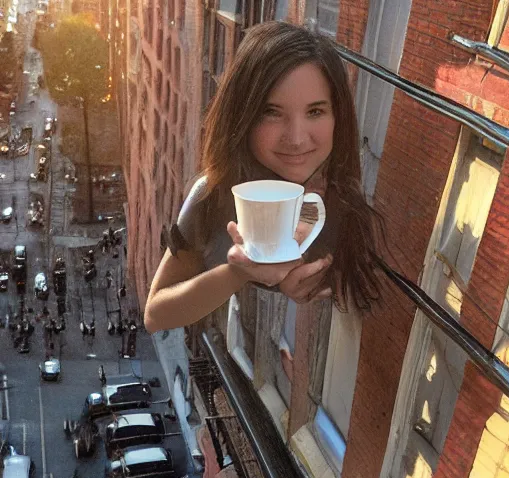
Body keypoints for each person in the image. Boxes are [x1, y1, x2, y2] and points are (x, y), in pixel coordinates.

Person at [145, 22, 382, 333]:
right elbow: (156, 314)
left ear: (338, 116)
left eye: (315, 112)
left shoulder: (347, 198)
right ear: (243, 116)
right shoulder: (213, 195)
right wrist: (239, 272)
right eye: (271, 111)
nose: (296, 139)